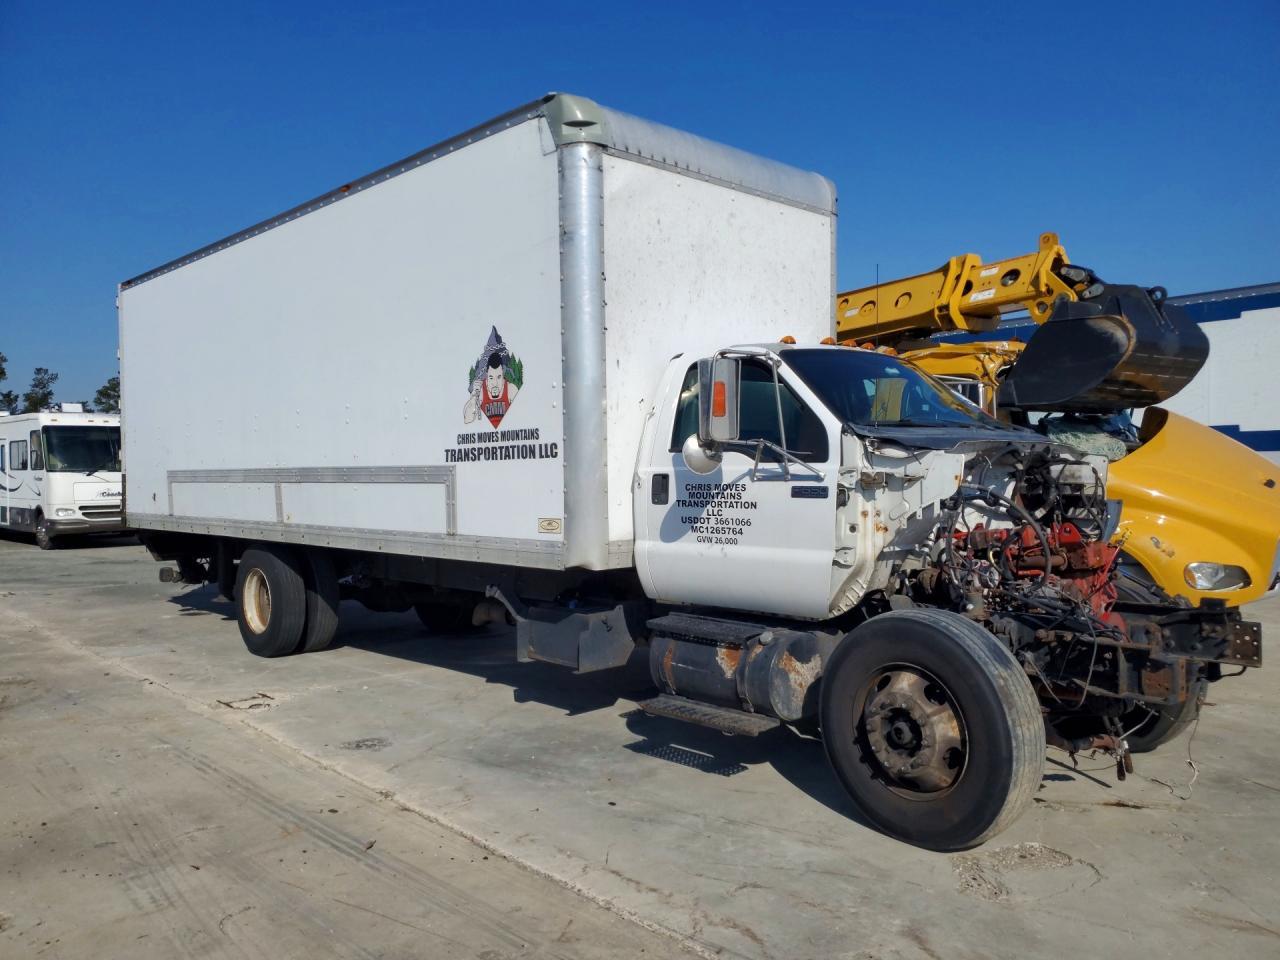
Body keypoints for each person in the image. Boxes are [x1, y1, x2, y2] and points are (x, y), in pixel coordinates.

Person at [463, 352, 519, 428]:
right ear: (486, 373)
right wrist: (474, 397)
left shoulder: (511, 389)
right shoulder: (480, 390)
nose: (495, 383)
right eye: (491, 378)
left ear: (503, 372)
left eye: (499, 377)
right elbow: (467, 419)